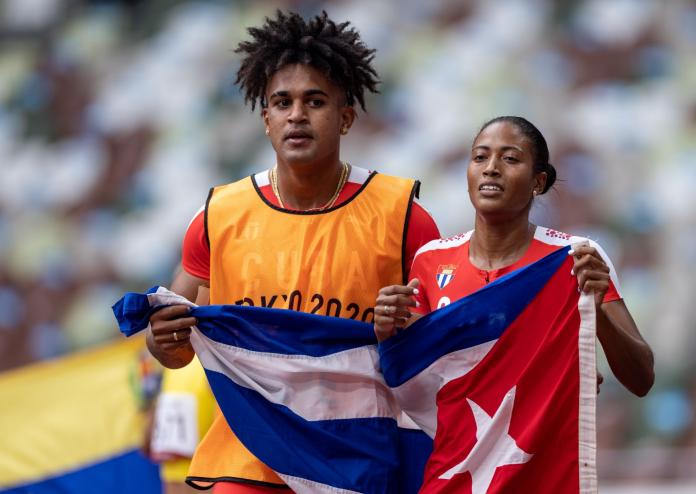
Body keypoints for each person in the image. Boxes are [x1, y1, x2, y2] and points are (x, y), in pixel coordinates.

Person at [145, 10, 440, 493]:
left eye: (315, 101)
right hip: (248, 460)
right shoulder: (218, 217)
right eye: (282, 102)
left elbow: (447, 342)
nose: (297, 115)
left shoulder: (403, 217)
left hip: (355, 460)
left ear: (345, 116)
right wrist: (161, 340)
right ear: (266, 120)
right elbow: (173, 349)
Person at [374, 115, 654, 490]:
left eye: (510, 159)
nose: (491, 168)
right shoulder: (429, 261)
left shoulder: (575, 259)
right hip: (453, 477)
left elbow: (641, 379)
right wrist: (385, 332)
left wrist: (597, 310)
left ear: (539, 181)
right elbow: (417, 386)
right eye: (480, 157)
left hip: (542, 479)